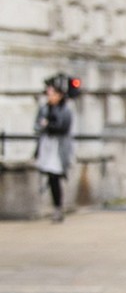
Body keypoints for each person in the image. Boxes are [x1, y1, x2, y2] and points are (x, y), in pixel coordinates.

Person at [34, 74, 76, 222]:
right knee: (51, 177)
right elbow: (37, 125)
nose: (49, 96)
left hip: (59, 147)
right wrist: (44, 125)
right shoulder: (44, 108)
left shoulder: (65, 110)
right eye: (48, 93)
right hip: (47, 145)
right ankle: (57, 207)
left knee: (55, 176)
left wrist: (48, 125)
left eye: (52, 94)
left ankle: (58, 207)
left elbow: (62, 127)